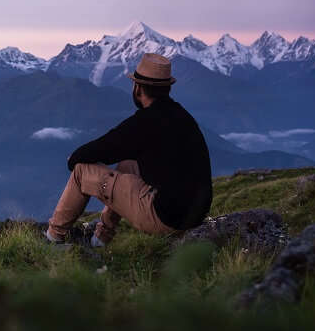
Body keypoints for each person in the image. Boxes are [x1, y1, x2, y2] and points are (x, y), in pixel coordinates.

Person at [44, 53, 212, 247]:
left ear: (138, 88)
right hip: (193, 215)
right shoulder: (182, 116)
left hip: (165, 217)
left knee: (81, 171)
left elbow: (104, 147)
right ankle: (100, 239)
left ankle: (53, 238)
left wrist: (73, 158)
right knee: (128, 164)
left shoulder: (145, 122)